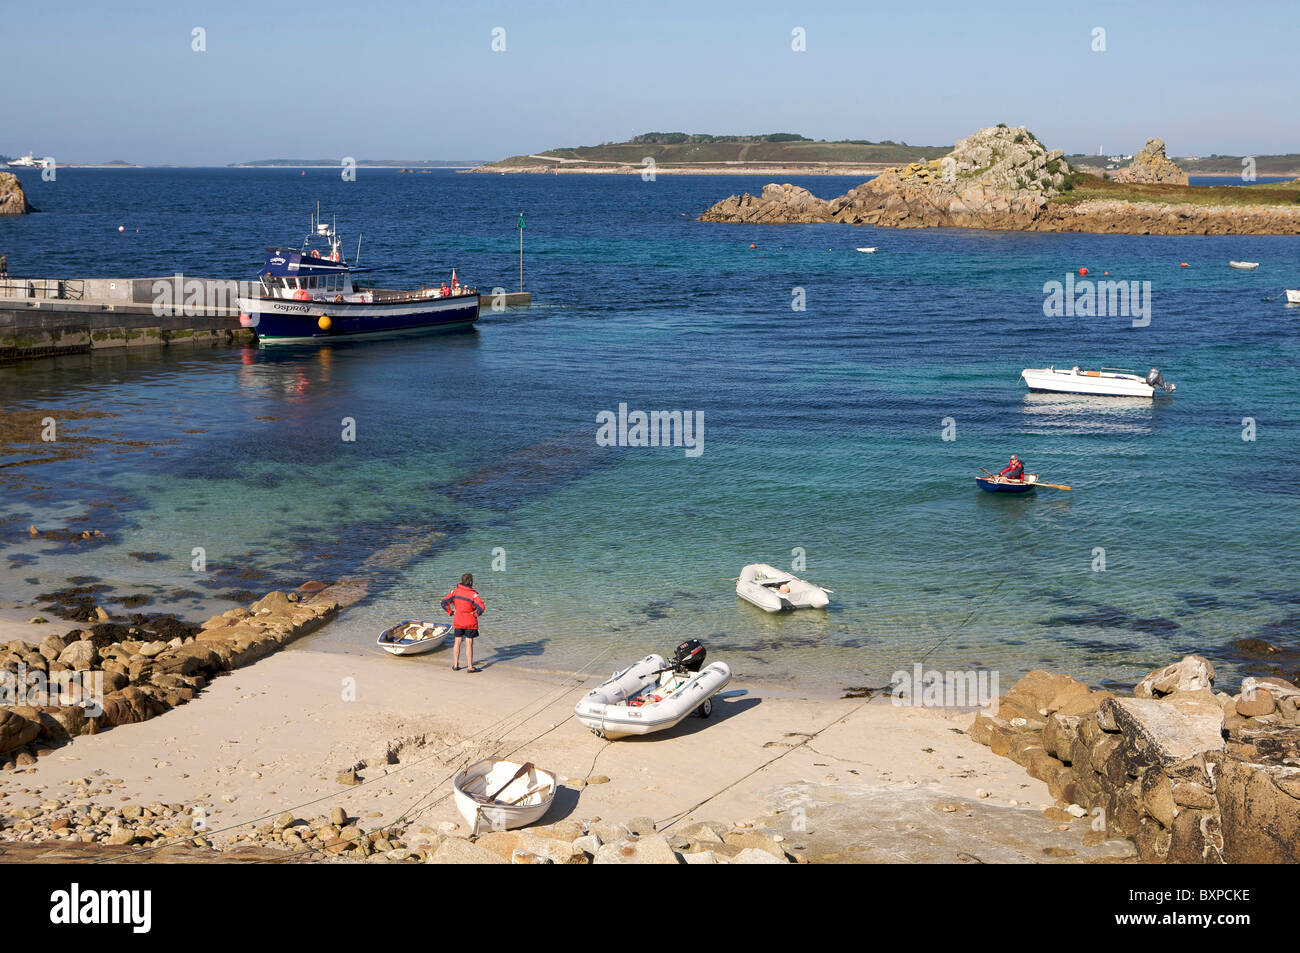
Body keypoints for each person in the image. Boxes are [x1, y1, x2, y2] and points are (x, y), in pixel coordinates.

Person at [441, 572, 485, 672]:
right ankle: (470, 667)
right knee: (469, 643)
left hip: (458, 620)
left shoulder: (455, 592)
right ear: (470, 582)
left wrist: (450, 612)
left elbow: (444, 602)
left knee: (457, 642)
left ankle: (455, 665)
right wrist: (475, 614)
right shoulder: (473, 594)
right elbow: (481, 607)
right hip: (470, 622)